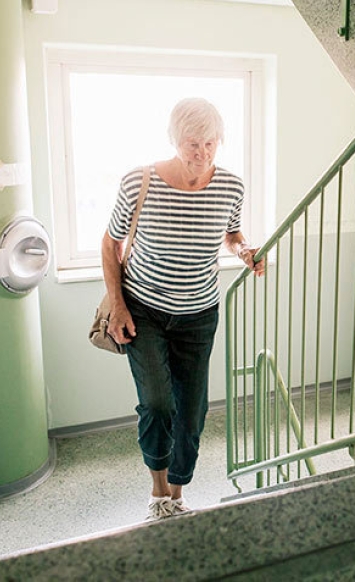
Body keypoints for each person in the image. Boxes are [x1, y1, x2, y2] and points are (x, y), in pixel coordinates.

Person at [101, 97, 265, 521]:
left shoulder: (231, 185)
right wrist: (118, 305)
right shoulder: (139, 183)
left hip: (199, 314)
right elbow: (111, 243)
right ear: (173, 140)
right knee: (158, 403)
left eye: (210, 143)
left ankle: (177, 493)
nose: (202, 152)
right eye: (192, 143)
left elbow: (231, 233)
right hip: (146, 311)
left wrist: (244, 249)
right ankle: (158, 495)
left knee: (192, 411)